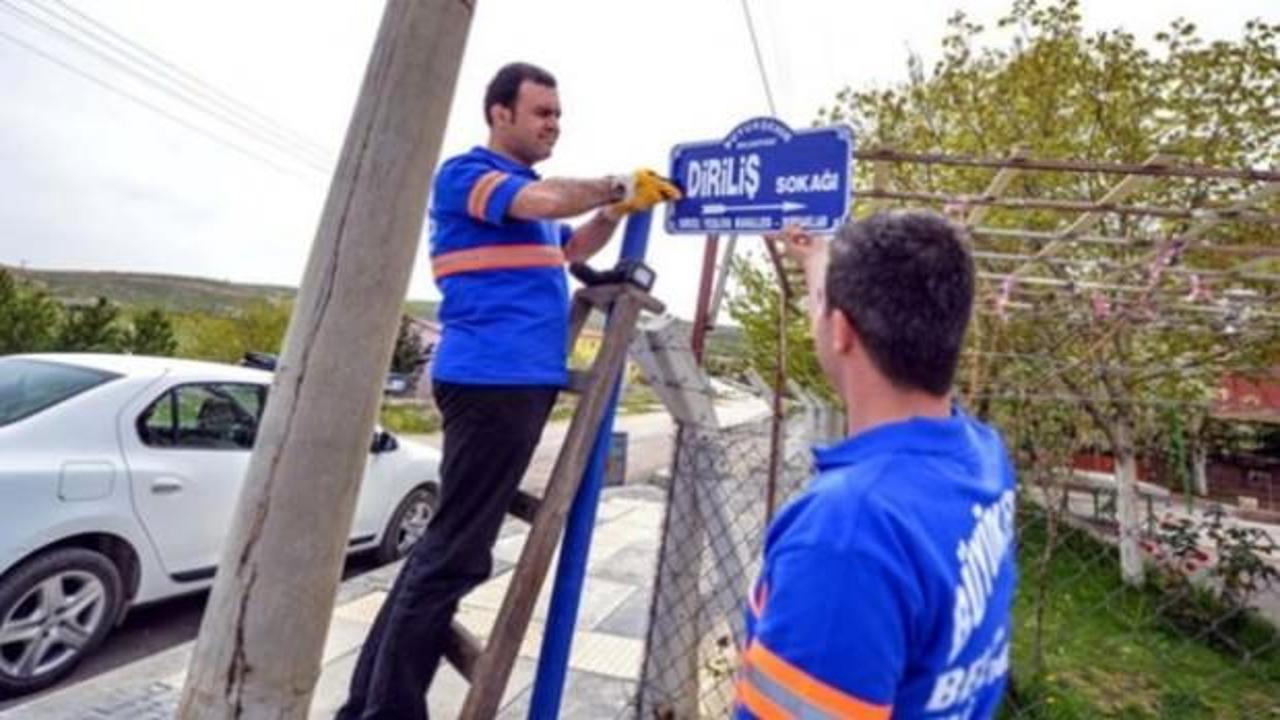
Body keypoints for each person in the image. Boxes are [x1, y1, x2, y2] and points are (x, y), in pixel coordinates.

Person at [338, 61, 679, 720]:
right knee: (454, 558)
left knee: (440, 555)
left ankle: (365, 706)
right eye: (542, 112)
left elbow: (570, 240)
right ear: (500, 114)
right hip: (494, 381)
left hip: (512, 382)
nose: (555, 123)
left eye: (557, 113)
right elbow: (545, 203)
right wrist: (615, 181)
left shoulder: (526, 198)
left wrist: (614, 212)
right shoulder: (471, 176)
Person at [735, 213, 1017, 719]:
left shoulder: (848, 535)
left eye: (821, 307)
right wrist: (820, 257)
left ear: (841, 329)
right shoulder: (981, 456)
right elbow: (849, 319)